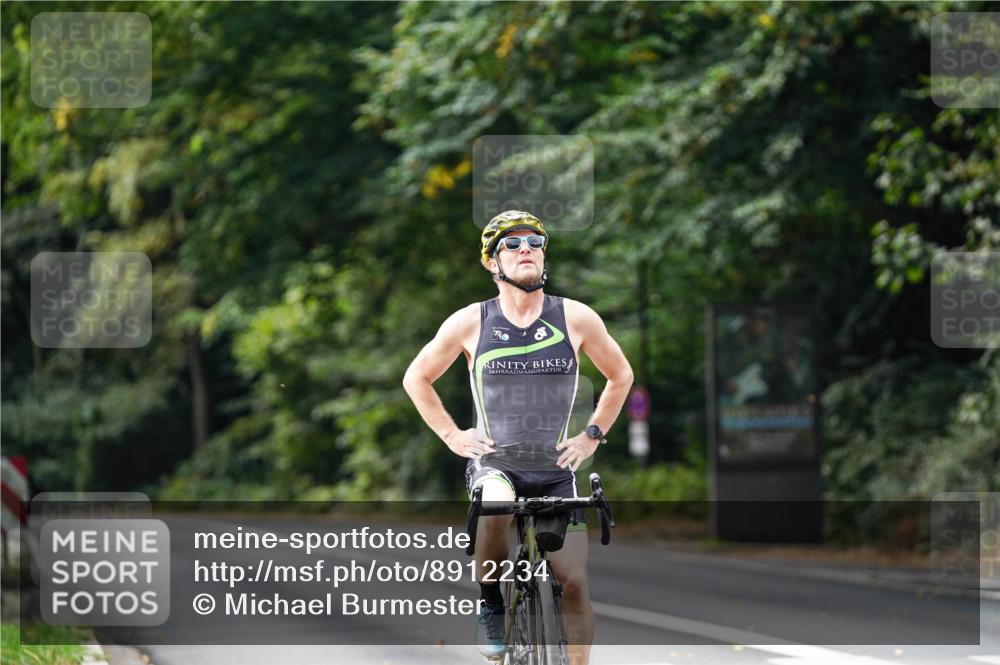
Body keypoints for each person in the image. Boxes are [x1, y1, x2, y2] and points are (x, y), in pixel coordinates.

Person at [402, 210, 633, 665]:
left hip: (555, 470)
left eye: (534, 241)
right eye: (512, 244)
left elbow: (621, 375)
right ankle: (491, 601)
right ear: (493, 262)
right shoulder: (471, 322)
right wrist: (451, 434)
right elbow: (416, 378)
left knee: (576, 583)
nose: (525, 248)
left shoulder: (575, 317)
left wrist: (591, 436)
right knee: (493, 503)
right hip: (496, 462)